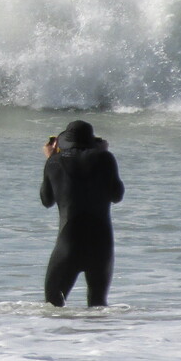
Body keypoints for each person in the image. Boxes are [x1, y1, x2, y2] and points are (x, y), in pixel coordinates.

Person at [39, 119, 125, 307]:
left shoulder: (54, 162)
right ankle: (94, 338)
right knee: (98, 305)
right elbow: (117, 196)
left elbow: (47, 201)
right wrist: (103, 153)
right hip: (101, 244)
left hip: (69, 243)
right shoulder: (106, 159)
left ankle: (60, 337)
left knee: (52, 306)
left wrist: (50, 159)